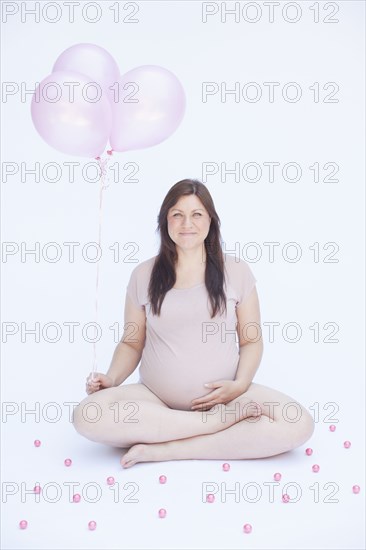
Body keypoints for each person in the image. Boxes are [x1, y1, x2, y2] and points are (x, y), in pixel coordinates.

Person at [73, 179, 314, 468]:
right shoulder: (143, 275)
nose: (187, 223)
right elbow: (131, 342)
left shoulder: (236, 271)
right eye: (177, 214)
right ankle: (211, 425)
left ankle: (166, 449)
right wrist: (111, 380)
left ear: (211, 220)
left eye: (197, 214)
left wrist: (239, 386)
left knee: (298, 423)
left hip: (226, 400)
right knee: (87, 415)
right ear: (165, 222)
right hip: (156, 400)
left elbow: (251, 340)